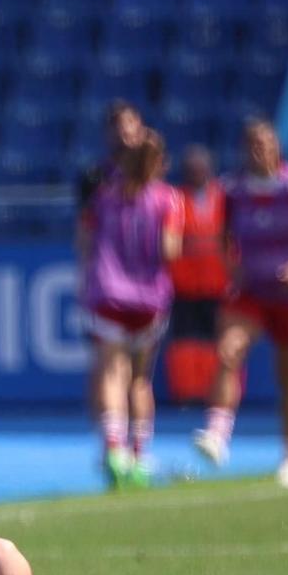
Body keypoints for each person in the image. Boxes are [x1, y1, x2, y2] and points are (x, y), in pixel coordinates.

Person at [190, 117, 288, 488]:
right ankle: (218, 435)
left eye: (264, 143)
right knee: (228, 350)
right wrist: (231, 265)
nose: (258, 149)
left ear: (276, 146)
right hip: (250, 291)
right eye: (251, 143)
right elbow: (222, 234)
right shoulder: (234, 189)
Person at [79, 129, 181, 487]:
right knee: (140, 380)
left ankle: (113, 448)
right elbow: (171, 251)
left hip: (109, 293)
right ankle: (139, 454)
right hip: (150, 299)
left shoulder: (104, 197)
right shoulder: (168, 199)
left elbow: (87, 240)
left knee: (111, 371)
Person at [78, 100, 158, 459]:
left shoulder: (156, 183)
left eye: (130, 125)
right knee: (110, 370)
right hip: (112, 289)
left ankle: (129, 450)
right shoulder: (96, 180)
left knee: (133, 376)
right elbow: (84, 235)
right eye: (119, 126)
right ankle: (117, 446)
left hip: (145, 294)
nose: (125, 133)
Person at [166, 143, 228, 405]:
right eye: (191, 169)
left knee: (218, 342)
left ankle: (214, 393)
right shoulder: (174, 199)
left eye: (201, 168)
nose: (196, 173)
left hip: (218, 283)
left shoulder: (224, 198)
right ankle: (185, 394)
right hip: (183, 284)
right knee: (185, 342)